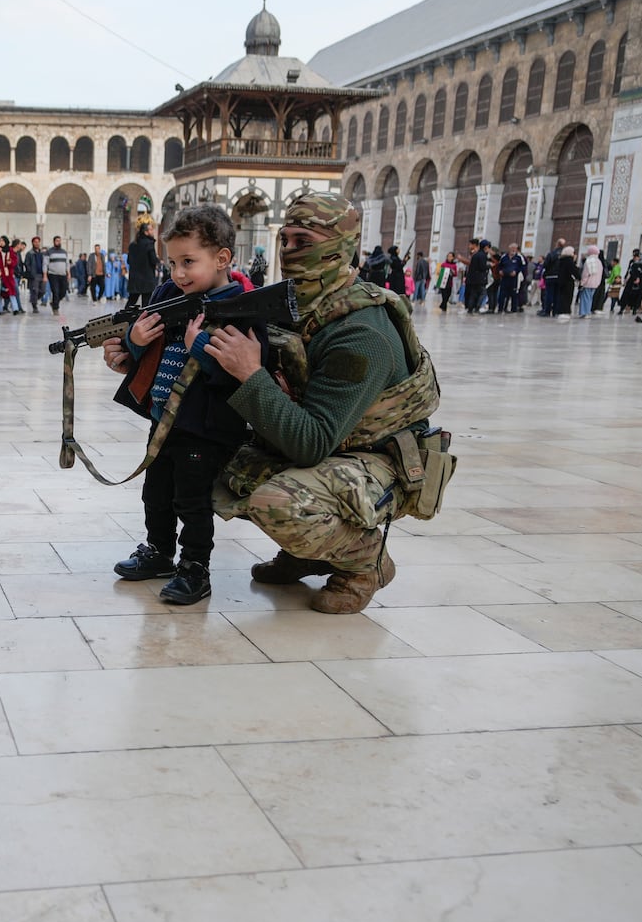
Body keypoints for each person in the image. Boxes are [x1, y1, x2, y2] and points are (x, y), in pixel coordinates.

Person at [107, 193, 453, 615]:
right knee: (209, 466)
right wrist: (132, 358)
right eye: (284, 241)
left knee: (279, 501)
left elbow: (311, 443)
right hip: (330, 446)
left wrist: (248, 373)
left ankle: (364, 562)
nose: (288, 253)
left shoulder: (363, 333)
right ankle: (309, 551)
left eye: (302, 242)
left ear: (338, 248)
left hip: (377, 459)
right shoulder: (299, 304)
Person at [110, 205, 270, 605]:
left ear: (221, 259)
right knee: (156, 491)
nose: (178, 274)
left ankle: (195, 568)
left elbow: (246, 371)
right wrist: (134, 340)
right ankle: (159, 552)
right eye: (172, 263)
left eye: (188, 262)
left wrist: (198, 345)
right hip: (165, 418)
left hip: (208, 425)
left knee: (192, 500)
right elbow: (141, 341)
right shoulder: (168, 295)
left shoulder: (243, 306)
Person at [127, 223, 160, 307]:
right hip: (147, 278)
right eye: (151, 229)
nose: (153, 231)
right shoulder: (149, 244)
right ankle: (144, 319)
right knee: (146, 303)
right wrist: (157, 259)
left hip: (135, 279)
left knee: (131, 301)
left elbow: (128, 261)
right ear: (146, 232)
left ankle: (122, 318)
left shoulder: (132, 245)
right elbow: (153, 260)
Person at [46, 235, 72, 315]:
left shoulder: (64, 252)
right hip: (53, 274)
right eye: (57, 241)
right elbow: (45, 264)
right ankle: (55, 308)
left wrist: (68, 273)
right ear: (54, 242)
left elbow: (67, 263)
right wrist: (44, 274)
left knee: (63, 292)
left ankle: (54, 302)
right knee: (55, 291)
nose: (58, 242)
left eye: (59, 241)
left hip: (63, 274)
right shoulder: (49, 252)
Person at [621, 249, 642, 318]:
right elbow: (630, 271)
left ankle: (634, 309)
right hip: (633, 282)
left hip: (639, 283)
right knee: (627, 295)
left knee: (638, 296)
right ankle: (625, 307)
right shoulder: (633, 263)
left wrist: (640, 278)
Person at [464, 238, 491, 313]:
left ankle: (470, 308)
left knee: (473, 294)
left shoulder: (475, 255)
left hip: (473, 279)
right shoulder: (483, 255)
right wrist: (489, 266)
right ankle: (477, 307)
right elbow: (482, 267)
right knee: (482, 293)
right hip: (480, 278)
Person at [577, 245, 604, 318]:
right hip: (596, 283)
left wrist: (582, 283)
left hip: (588, 283)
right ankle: (588, 311)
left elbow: (586, 274)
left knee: (585, 298)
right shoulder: (599, 261)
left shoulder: (589, 260)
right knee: (590, 298)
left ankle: (584, 312)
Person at [498, 244, 526, 313]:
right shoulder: (504, 257)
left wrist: (516, 271)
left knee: (514, 294)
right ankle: (500, 308)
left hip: (514, 278)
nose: (513, 250)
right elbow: (499, 265)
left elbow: (523, 267)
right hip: (505, 277)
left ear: (516, 249)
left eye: (514, 248)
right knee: (502, 293)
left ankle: (513, 309)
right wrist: (500, 271)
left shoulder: (519, 257)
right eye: (511, 248)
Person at [554, 246, 579, 319]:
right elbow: (574, 271)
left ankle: (559, 311)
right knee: (567, 297)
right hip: (568, 282)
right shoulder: (569, 261)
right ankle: (565, 311)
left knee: (561, 296)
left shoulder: (561, 260)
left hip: (561, 281)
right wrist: (579, 277)